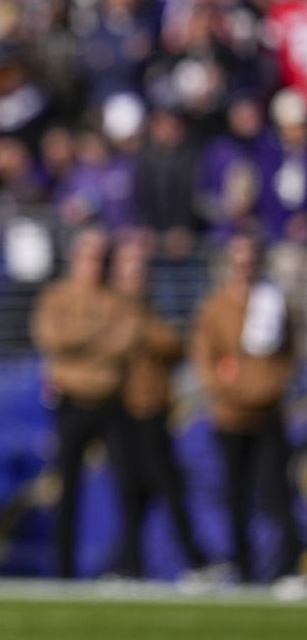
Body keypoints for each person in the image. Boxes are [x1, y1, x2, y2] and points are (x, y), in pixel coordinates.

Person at [191, 234, 303, 585]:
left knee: (277, 492)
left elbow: (286, 353)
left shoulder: (272, 301)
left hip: (267, 414)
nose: (244, 266)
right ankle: (242, 567)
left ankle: (286, 568)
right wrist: (228, 389)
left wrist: (270, 386)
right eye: (238, 259)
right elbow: (205, 358)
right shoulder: (215, 306)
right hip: (230, 416)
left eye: (250, 258)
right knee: (237, 496)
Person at [31, 227, 139, 578]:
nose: (97, 265)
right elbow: (50, 337)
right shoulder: (57, 297)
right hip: (71, 401)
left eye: (101, 258)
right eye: (90, 256)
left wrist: (77, 345)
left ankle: (130, 566)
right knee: (67, 490)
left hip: (109, 401)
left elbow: (125, 341)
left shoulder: (116, 299)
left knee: (125, 486)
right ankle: (63, 569)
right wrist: (96, 338)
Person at [108, 236, 209, 578]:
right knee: (130, 492)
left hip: (151, 410)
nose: (136, 275)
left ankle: (192, 561)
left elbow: (171, 343)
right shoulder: (112, 308)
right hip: (117, 410)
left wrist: (139, 324)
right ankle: (128, 564)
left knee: (165, 486)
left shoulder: (148, 309)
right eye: (129, 267)